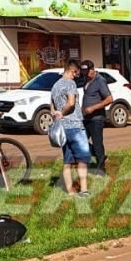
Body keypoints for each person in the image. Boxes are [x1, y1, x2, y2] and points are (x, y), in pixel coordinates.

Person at [51, 59, 91, 197]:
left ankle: (70, 192)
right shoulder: (70, 83)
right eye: (76, 73)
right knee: (82, 160)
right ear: (73, 71)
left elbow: (52, 108)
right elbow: (71, 102)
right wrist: (63, 112)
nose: (76, 76)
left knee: (67, 160)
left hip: (63, 129)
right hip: (75, 126)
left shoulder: (55, 86)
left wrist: (57, 115)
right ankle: (84, 190)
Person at [80, 60, 112, 176]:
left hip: (96, 118)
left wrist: (93, 108)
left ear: (92, 69)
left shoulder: (100, 81)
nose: (85, 74)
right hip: (86, 117)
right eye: (84, 72)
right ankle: (102, 157)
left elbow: (109, 99)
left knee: (97, 143)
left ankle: (101, 170)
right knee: (81, 141)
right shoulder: (86, 79)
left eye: (87, 72)